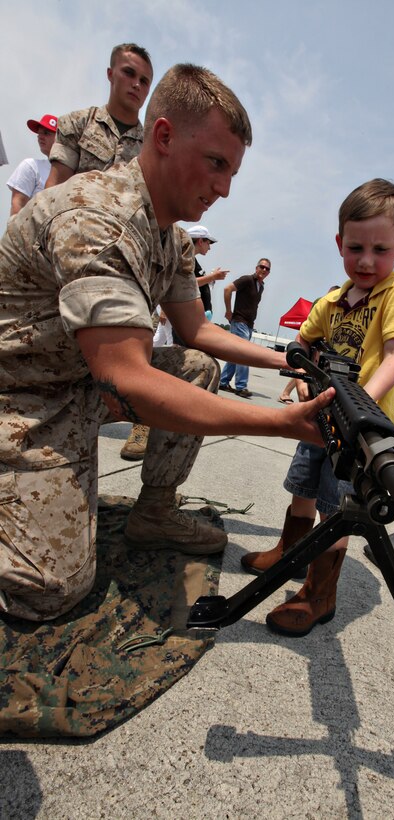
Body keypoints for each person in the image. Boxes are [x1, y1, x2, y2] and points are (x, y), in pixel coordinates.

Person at [0, 63, 333, 623]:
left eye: (232, 171)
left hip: (77, 382)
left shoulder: (170, 234)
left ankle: (153, 512)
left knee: (195, 365)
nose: (225, 188)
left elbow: (197, 331)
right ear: (163, 136)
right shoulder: (96, 218)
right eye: (216, 164)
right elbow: (126, 378)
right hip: (24, 395)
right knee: (50, 589)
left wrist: (292, 359)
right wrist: (281, 423)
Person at [240, 178, 394, 637]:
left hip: (360, 428)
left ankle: (320, 593)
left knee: (335, 506)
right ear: (339, 243)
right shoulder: (334, 300)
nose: (365, 259)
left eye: (381, 249)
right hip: (319, 417)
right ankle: (288, 552)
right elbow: (301, 343)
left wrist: (362, 401)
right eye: (355, 246)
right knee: (302, 484)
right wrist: (303, 380)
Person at [121, 224, 229, 460]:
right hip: (150, 321)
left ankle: (156, 423)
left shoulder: (185, 255)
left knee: (193, 362)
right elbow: (174, 289)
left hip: (184, 319)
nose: (209, 246)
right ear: (198, 241)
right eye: (207, 242)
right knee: (167, 361)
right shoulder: (170, 249)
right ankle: (145, 421)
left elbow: (182, 291)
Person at [45, 43, 153, 187]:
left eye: (144, 81)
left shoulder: (150, 149)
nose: (136, 85)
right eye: (129, 73)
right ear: (110, 74)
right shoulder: (77, 124)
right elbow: (54, 187)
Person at [218, 259, 271, 398]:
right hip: (239, 321)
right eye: (262, 267)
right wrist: (228, 311)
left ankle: (223, 382)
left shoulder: (261, 286)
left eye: (267, 269)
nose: (264, 270)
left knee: (236, 354)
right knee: (244, 353)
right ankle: (241, 386)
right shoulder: (247, 280)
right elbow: (227, 289)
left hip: (249, 325)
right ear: (256, 267)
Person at [6, 114, 58, 215]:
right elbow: (18, 204)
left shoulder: (74, 170)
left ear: (59, 138)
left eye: (46, 133)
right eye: (39, 134)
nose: (40, 137)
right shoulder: (31, 166)